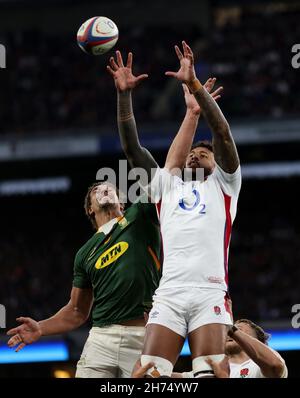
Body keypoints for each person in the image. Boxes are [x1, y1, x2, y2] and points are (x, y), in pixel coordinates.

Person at [107, 41, 241, 378]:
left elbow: (222, 132)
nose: (197, 154)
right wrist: (124, 96)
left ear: (218, 164)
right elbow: (131, 146)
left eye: (204, 153)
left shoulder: (225, 185)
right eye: (193, 152)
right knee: (147, 375)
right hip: (168, 294)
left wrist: (194, 85)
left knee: (211, 373)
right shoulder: (167, 186)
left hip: (209, 290)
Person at [7, 182, 161, 378]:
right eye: (96, 190)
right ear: (90, 208)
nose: (104, 189)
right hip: (101, 340)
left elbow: (163, 176)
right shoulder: (84, 253)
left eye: (110, 188)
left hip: (142, 337)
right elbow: (77, 310)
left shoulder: (139, 215)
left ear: (122, 203)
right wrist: (41, 327)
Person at [178, 319, 288, 378]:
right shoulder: (213, 366)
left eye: (239, 330)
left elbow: (275, 366)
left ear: (258, 341)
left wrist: (230, 326)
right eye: (227, 331)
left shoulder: (257, 367)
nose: (229, 334)